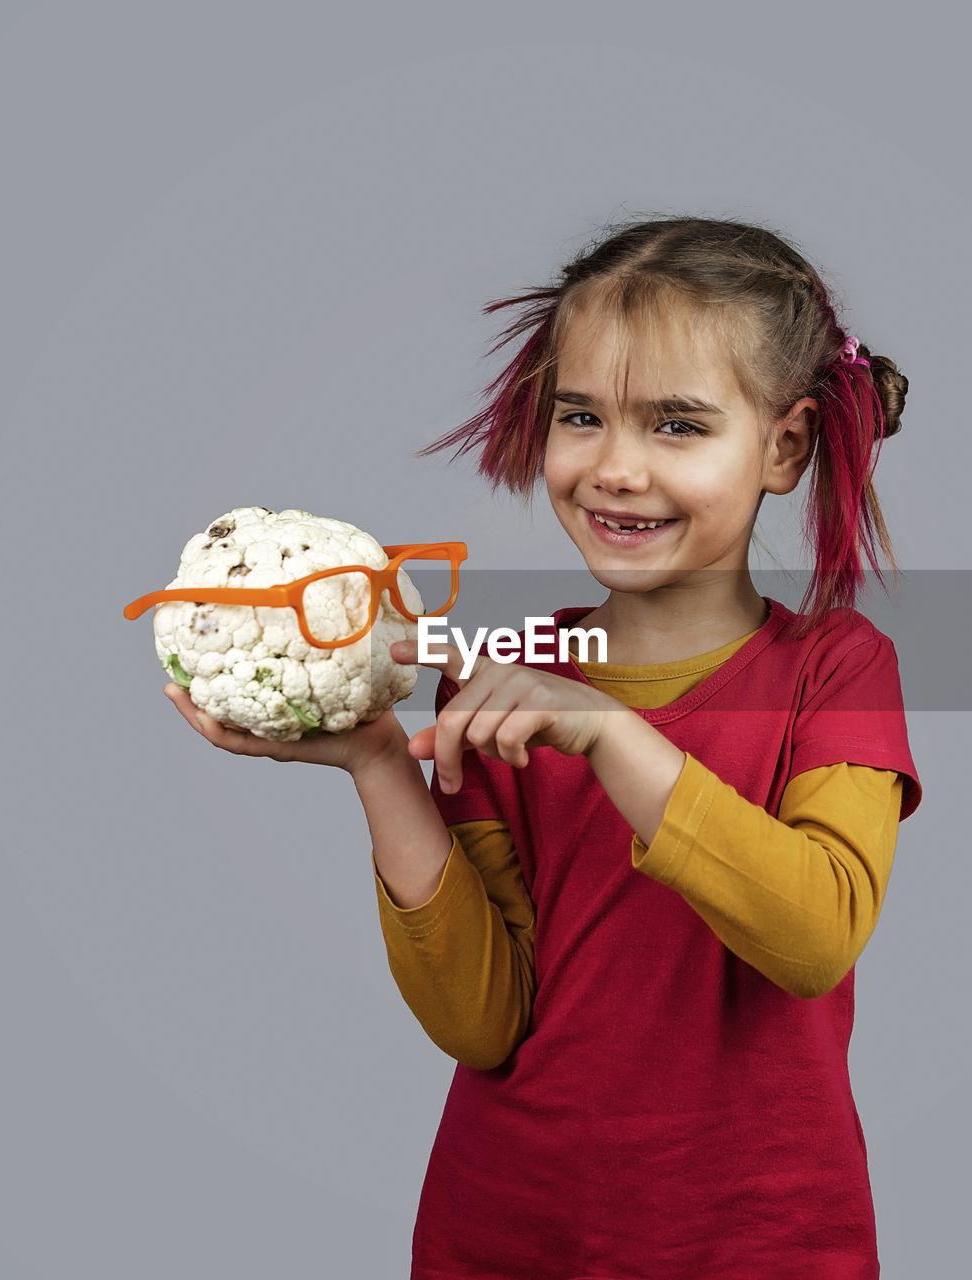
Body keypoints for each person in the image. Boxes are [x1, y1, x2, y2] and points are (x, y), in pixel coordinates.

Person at [165, 213, 923, 1280]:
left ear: (784, 446)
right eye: (581, 415)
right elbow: (482, 1021)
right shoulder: (490, 682)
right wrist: (381, 763)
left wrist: (608, 732)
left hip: (758, 1240)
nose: (614, 467)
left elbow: (812, 934)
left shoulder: (833, 671)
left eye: (676, 425)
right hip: (503, 1232)